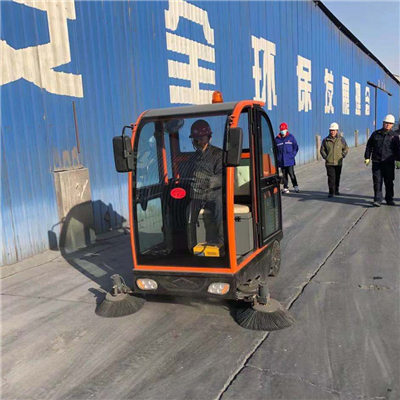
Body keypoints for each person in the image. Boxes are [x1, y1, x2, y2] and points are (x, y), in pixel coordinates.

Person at [186, 120, 224, 250]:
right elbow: (187, 175)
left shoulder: (218, 154)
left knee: (220, 204)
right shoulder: (192, 158)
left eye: (201, 139)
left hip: (214, 194)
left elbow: (222, 177)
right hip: (197, 194)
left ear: (209, 138)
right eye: (196, 139)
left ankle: (222, 242)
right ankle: (189, 245)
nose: (198, 142)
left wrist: (206, 181)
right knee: (186, 209)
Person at [364, 114, 400, 207]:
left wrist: (398, 160)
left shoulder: (395, 136)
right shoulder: (375, 134)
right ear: (383, 123)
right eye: (386, 123)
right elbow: (369, 146)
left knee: (389, 182)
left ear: (392, 125)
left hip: (389, 163)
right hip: (377, 162)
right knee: (377, 181)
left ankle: (389, 199)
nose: (387, 125)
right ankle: (377, 199)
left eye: (390, 123)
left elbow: (397, 149)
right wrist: (367, 157)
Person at [320, 122, 349, 197]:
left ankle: (336, 189)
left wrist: (343, 154)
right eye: (331, 130)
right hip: (329, 163)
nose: (332, 132)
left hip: (338, 162)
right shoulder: (325, 140)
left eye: (333, 130)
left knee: (337, 177)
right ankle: (331, 191)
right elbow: (322, 150)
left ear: (337, 131)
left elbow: (346, 148)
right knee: (331, 178)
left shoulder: (341, 139)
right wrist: (326, 157)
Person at [275, 122, 299, 193]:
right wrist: (277, 158)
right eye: (281, 130)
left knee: (291, 174)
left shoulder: (291, 137)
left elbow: (295, 147)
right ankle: (285, 187)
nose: (282, 131)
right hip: (282, 161)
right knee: (284, 175)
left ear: (286, 130)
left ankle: (295, 186)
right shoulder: (277, 139)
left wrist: (292, 155)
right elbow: (274, 150)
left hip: (289, 160)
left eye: (284, 130)